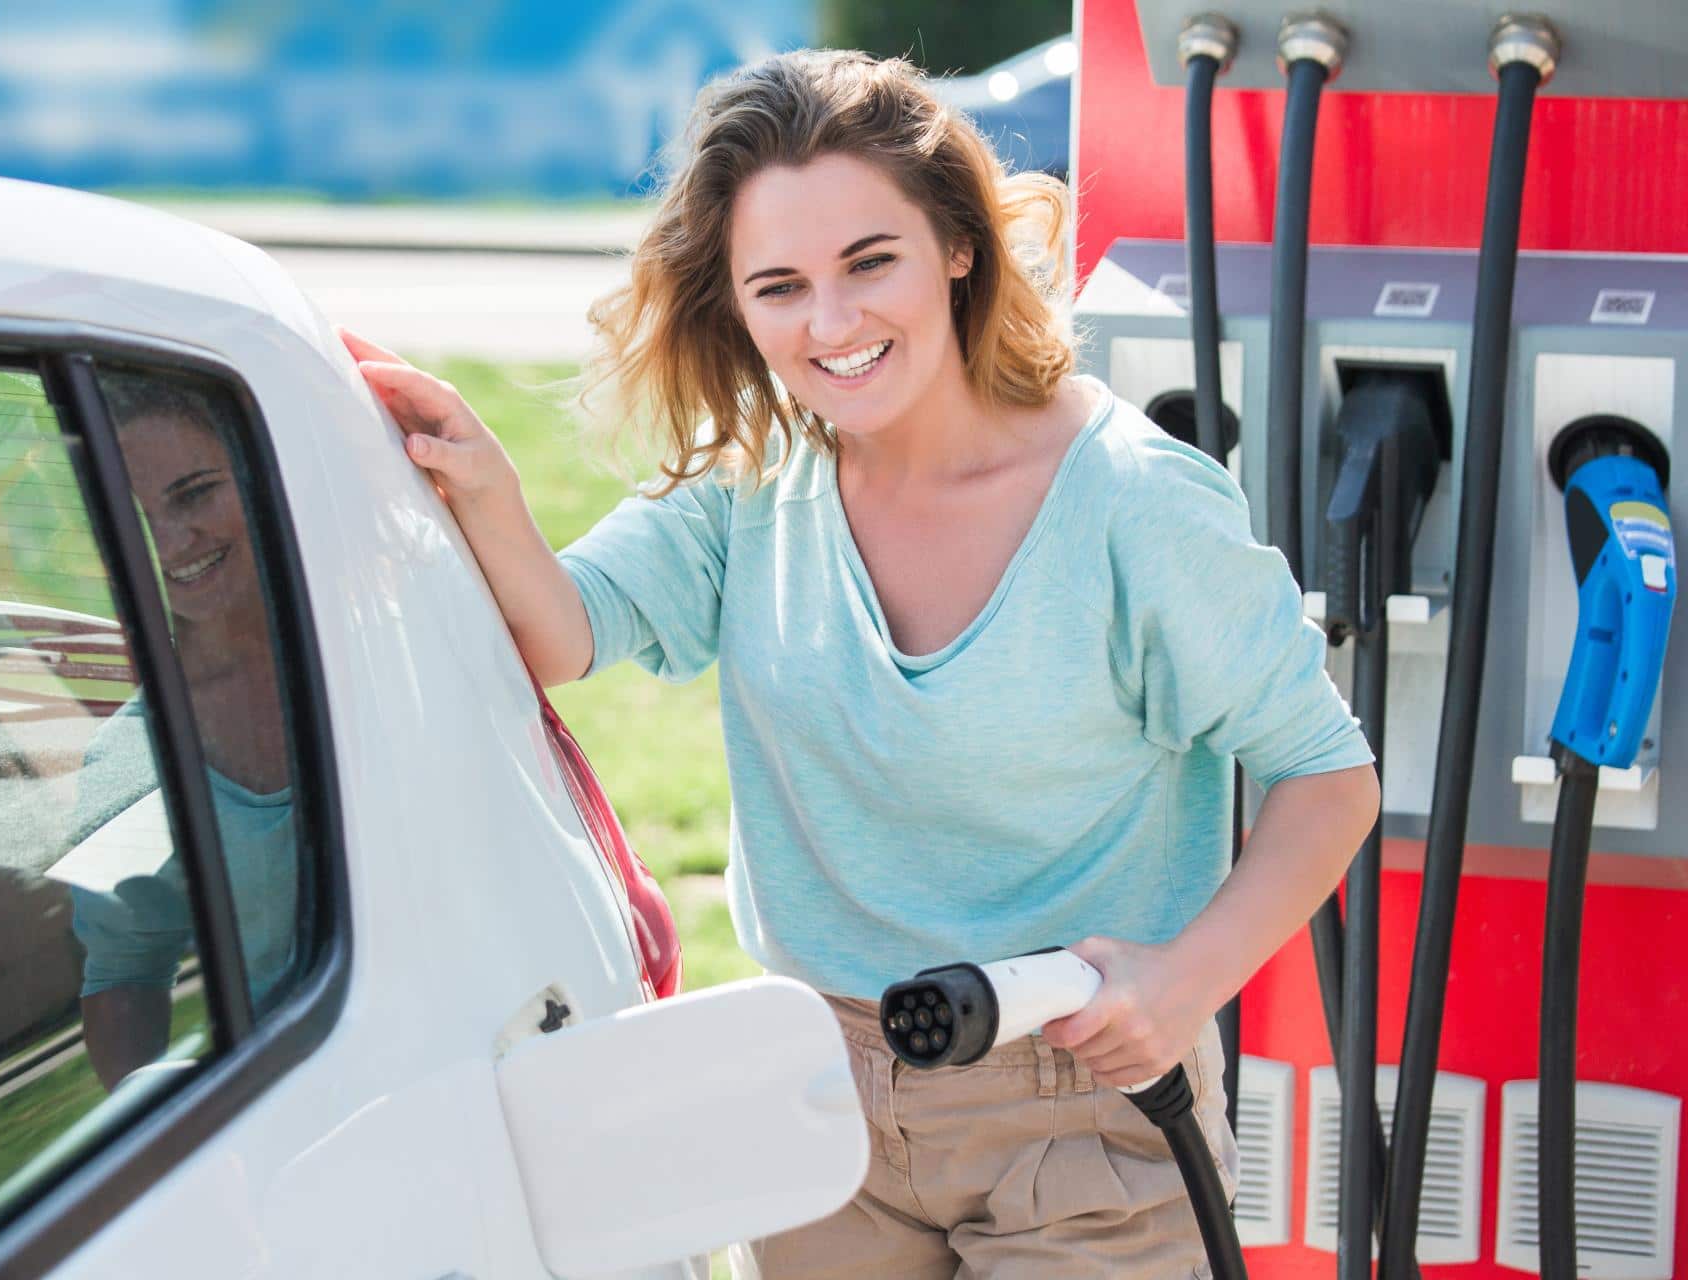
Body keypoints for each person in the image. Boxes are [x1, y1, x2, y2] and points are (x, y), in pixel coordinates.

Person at [349, 49, 1379, 1279]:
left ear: (957, 246)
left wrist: (1182, 981)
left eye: (869, 262)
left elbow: (1329, 774)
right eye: (778, 286)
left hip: (1078, 1098)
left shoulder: (1137, 507)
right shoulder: (753, 488)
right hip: (817, 1094)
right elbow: (564, 632)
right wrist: (484, 488)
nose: (829, 325)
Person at [65, 373, 298, 1090]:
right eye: (134, 522)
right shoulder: (131, 761)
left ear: (259, 470)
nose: (169, 543)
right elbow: (124, 976)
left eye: (194, 493)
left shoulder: (384, 637)